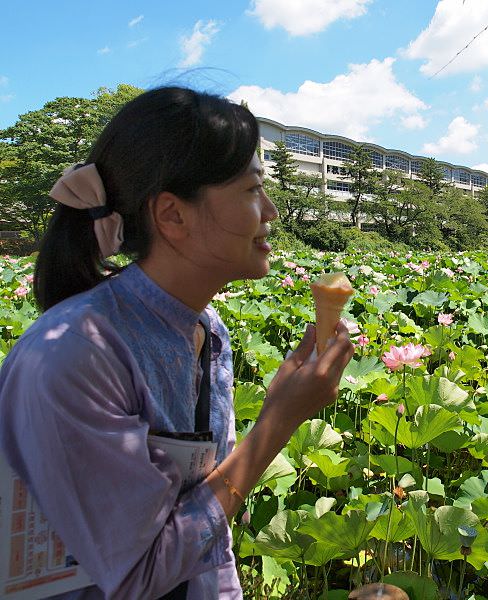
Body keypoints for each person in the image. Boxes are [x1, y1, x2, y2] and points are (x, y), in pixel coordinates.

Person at [0, 86, 355, 599]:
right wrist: (278, 422)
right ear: (172, 216)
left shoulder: (208, 331)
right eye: (253, 189)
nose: (272, 211)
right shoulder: (76, 354)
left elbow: (206, 535)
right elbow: (136, 578)